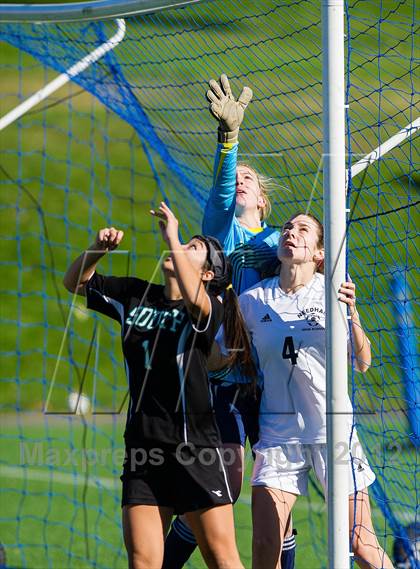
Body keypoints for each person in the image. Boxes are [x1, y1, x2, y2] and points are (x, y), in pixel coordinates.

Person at [63, 202, 255, 569]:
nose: (180, 248)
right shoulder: (135, 296)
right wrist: (96, 250)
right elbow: (75, 283)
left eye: (192, 248)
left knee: (223, 560)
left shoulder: (207, 307)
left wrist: (173, 234)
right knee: (143, 562)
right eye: (181, 244)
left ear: (207, 274)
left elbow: (199, 302)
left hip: (196, 450)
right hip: (142, 451)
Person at [163, 75, 297, 568]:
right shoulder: (221, 229)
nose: (239, 181)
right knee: (223, 485)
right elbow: (220, 194)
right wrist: (229, 142)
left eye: (248, 179)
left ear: (264, 199)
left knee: (278, 496)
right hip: (219, 378)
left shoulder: (281, 240)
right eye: (235, 176)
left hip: (273, 386)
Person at [235, 212, 395, 568]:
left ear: (319, 253)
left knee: (361, 544)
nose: (291, 233)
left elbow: (363, 361)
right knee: (265, 546)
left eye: (303, 229)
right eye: (288, 228)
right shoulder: (251, 300)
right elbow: (222, 357)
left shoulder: (333, 293)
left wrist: (352, 311)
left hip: (331, 430)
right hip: (278, 434)